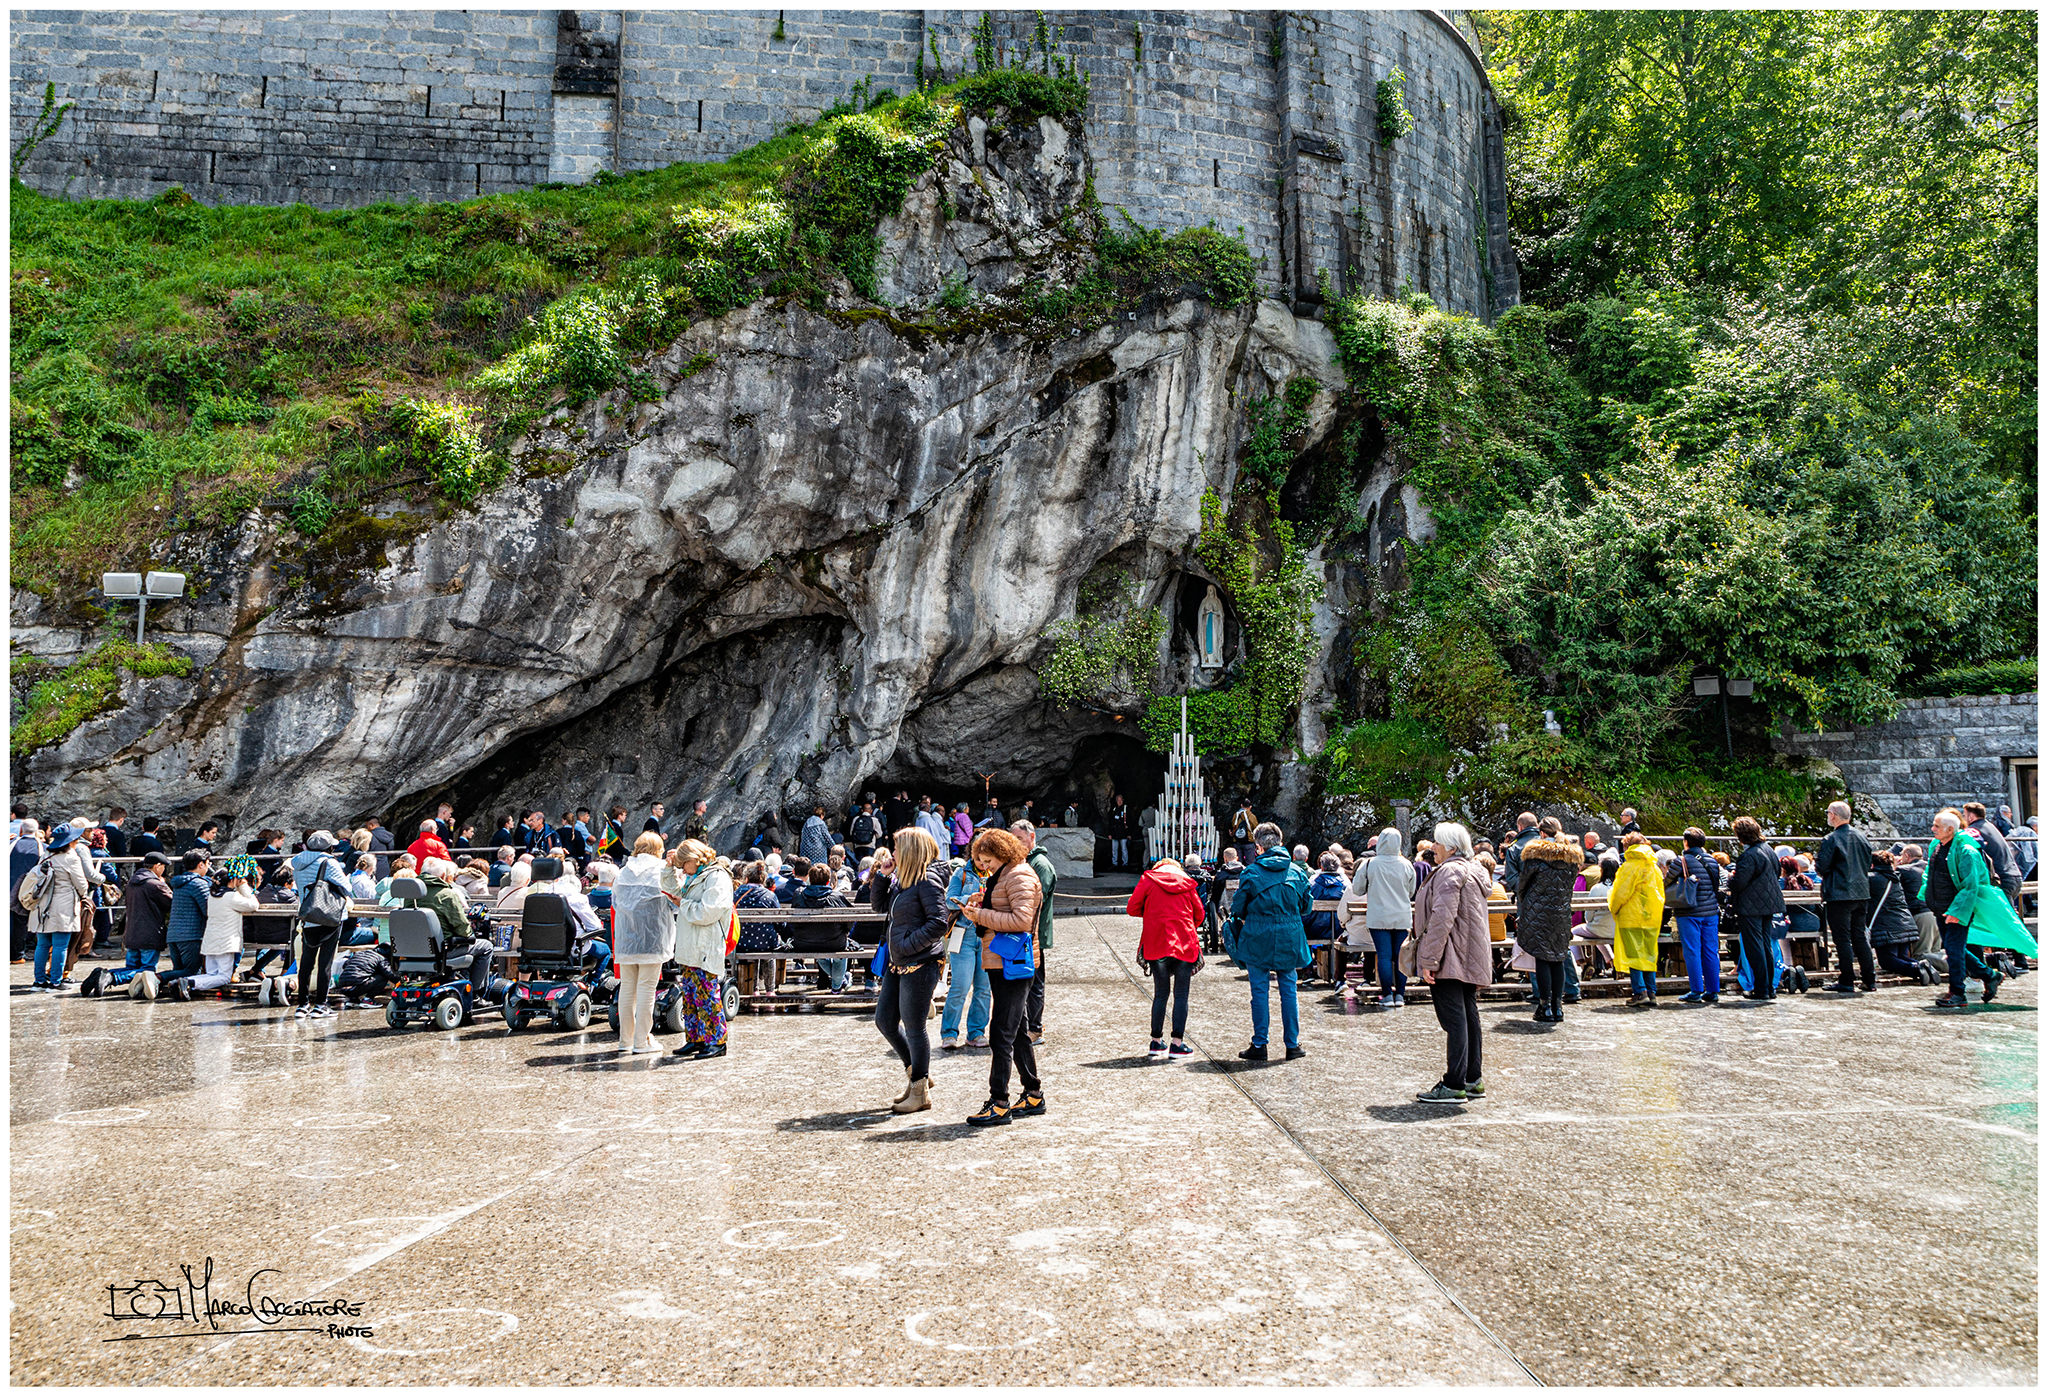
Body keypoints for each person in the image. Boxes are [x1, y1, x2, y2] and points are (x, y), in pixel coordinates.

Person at [957, 827, 1045, 1126]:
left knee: (1001, 1034)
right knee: (1016, 1030)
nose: (985, 867)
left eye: (988, 861)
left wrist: (979, 916)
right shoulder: (1008, 874)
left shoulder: (1019, 875)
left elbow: (1021, 920)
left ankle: (999, 1102)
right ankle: (1033, 1094)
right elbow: (1008, 908)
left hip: (1013, 964)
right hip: (1004, 961)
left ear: (1002, 854)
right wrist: (982, 902)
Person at [873, 827, 950, 1113]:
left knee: (915, 1027)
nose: (891, 852)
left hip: (920, 963)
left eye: (896, 848)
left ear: (909, 850)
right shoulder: (902, 881)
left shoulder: (927, 881)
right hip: (898, 963)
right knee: (885, 1021)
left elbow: (939, 923)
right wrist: (882, 875)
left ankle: (919, 1093)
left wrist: (907, 943)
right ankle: (918, 1074)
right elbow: (878, 906)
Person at [1412, 822, 1491, 1102]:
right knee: (1469, 1016)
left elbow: (1441, 919)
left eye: (1437, 843)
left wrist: (1429, 959)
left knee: (1454, 1020)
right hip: (1471, 953)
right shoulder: (1475, 870)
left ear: (1452, 848)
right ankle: (1473, 1079)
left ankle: (1454, 1084)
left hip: (1450, 954)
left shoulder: (1448, 872)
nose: (1433, 847)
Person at [1927, 810, 2036, 1007]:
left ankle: (1957, 993)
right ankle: (1990, 975)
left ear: (1950, 829)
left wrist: (1958, 911)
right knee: (1955, 949)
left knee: (1953, 950)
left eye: (1936, 826)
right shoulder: (1936, 845)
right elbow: (1930, 873)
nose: (1932, 829)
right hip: (1940, 907)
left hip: (1956, 909)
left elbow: (1971, 885)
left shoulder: (1967, 851)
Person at [1226, 822, 1312, 1062]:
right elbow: (1306, 906)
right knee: (1289, 990)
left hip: (1258, 934)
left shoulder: (1251, 872)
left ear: (1258, 847)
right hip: (1289, 934)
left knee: (1260, 991)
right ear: (1281, 844)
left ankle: (1260, 1043)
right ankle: (1292, 1044)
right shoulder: (1297, 872)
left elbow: (1238, 908)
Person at [1127, 856, 1204, 1060]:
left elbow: (1132, 908)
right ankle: (1177, 1044)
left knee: (1160, 993)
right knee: (1181, 994)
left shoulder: (1148, 880)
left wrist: (1152, 912)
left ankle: (1155, 1042)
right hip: (1185, 944)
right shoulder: (1188, 883)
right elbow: (1200, 915)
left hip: (1157, 942)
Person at [612, 833, 680, 1056]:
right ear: (657, 849)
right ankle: (642, 1041)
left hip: (626, 939)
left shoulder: (622, 873)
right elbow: (676, 902)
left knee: (627, 988)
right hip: (653, 938)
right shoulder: (660, 870)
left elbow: (615, 903)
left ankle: (625, 1040)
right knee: (646, 990)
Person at [670, 840, 734, 1058]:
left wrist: (683, 904)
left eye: (682, 864)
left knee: (706, 995)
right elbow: (675, 894)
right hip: (692, 945)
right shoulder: (699, 876)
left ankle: (716, 1041)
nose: (681, 869)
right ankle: (696, 1038)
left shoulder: (717, 876)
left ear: (694, 859)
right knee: (690, 996)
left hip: (705, 944)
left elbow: (709, 911)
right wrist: (667, 869)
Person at [1514, 825, 1583, 1023]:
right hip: (1560, 914)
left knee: (1542, 958)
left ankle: (1545, 1007)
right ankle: (1558, 1007)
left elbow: (1522, 885)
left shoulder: (1535, 858)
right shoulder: (1571, 861)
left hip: (1537, 913)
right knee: (1558, 958)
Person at [82, 851, 172, 998]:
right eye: (163, 867)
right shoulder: (155, 884)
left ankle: (102, 974)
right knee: (146, 971)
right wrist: (164, 885)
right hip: (150, 934)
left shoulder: (132, 882)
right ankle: (111, 977)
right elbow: (170, 903)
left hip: (131, 932)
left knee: (132, 967)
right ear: (157, 866)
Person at [24, 823, 101, 991]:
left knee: (42, 944)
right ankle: (55, 981)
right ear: (71, 841)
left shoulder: (46, 855)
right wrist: (83, 895)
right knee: (60, 945)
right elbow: (81, 884)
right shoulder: (71, 858)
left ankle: (39, 981)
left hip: (42, 907)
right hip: (63, 907)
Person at [290, 832, 355, 1018]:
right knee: (325, 963)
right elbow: (347, 888)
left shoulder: (297, 863)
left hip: (309, 915)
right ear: (329, 848)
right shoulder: (329, 862)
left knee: (306, 962)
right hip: (329, 916)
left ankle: (302, 1005)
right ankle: (320, 1005)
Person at [1813, 800, 1875, 994]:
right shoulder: (1862, 837)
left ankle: (1847, 979)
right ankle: (1869, 979)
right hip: (1861, 892)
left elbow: (1822, 867)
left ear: (1832, 815)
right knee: (1859, 937)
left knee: (1842, 939)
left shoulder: (1831, 839)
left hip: (1839, 893)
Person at [1349, 829, 1414, 1007]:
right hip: (1402, 916)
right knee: (1400, 956)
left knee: (1384, 956)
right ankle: (1400, 994)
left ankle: (1387, 995)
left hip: (1379, 917)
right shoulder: (1407, 864)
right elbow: (1411, 891)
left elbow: (1357, 889)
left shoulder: (1370, 864)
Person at [1725, 818, 1784, 999]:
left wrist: (1729, 878)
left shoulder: (1749, 855)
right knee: (1766, 944)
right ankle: (1768, 988)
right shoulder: (1769, 850)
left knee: (1754, 947)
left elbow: (1739, 883)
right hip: (1769, 902)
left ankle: (1761, 988)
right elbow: (1776, 873)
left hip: (1751, 906)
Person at [941, 855, 991, 1049]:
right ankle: (949, 1033)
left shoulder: (994, 873)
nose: (982, 862)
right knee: (960, 986)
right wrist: (967, 899)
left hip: (987, 934)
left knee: (984, 988)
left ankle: (977, 1032)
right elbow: (949, 901)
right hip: (964, 933)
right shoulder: (961, 873)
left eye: (987, 857)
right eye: (979, 857)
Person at [1609, 833, 1665, 1006]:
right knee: (1648, 954)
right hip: (1651, 916)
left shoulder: (1630, 865)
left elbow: (1620, 892)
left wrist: (1614, 908)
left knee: (1634, 955)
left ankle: (1639, 992)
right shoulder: (1654, 866)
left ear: (1627, 846)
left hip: (1631, 916)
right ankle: (1652, 991)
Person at [1016, 822, 1057, 1044]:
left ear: (1032, 837)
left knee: (1034, 983)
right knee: (1024, 982)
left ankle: (1035, 1028)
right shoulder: (1025, 862)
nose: (1016, 844)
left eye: (1020, 839)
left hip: (1035, 934)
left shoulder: (1040, 864)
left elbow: (1033, 901)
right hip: (1025, 933)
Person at [1673, 828, 1723, 1003]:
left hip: (1689, 911)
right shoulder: (1712, 861)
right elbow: (1716, 885)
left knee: (1692, 951)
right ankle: (1713, 990)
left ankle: (1695, 990)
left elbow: (1667, 881)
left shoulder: (1682, 860)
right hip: (1710, 912)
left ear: (1686, 842)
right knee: (1710, 950)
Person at [191, 866, 258, 996]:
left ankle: (185, 981)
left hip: (210, 941)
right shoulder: (231, 896)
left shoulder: (212, 896)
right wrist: (244, 886)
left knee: (211, 974)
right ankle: (191, 983)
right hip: (225, 943)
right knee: (224, 977)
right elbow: (254, 905)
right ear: (232, 880)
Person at [791, 864, 856, 992]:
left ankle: (839, 982)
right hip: (834, 942)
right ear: (828, 881)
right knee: (842, 948)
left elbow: (793, 922)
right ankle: (837, 985)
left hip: (804, 942)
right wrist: (845, 931)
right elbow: (850, 920)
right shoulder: (836, 897)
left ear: (810, 879)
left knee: (823, 948)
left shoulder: (799, 894)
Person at [159, 849, 213, 1001]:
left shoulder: (179, 882)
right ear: (201, 864)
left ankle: (174, 991)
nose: (209, 867)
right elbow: (208, 909)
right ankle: (155, 977)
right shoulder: (198, 884)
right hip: (191, 935)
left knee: (179, 972)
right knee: (191, 972)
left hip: (174, 934)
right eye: (208, 864)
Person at [1866, 851, 1927, 980]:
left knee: (1887, 961)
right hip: (1906, 923)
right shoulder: (1895, 878)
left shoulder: (1871, 878)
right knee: (1901, 957)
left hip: (1886, 926)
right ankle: (1922, 966)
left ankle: (1917, 969)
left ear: (1871, 864)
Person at [1962, 802, 2023, 910]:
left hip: (2001, 880)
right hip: (2014, 876)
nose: (1963, 818)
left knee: (2002, 923)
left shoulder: (1973, 831)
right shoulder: (1990, 826)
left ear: (1970, 817)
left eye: (1964, 815)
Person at [10, 817, 43, 963]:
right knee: (22, 921)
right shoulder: (43, 848)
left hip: (8, 886)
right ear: (36, 832)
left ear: (20, 830)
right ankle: (18, 954)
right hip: (29, 890)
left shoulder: (10, 845)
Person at [1499, 812, 1539, 894]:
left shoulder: (1513, 848)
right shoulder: (1549, 844)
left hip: (1526, 900)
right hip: (1551, 899)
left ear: (1520, 827)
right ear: (1537, 825)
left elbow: (1511, 878)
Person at [1105, 794, 1132, 870]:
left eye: (1120, 800)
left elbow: (1129, 821)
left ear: (1122, 800)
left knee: (1124, 849)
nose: (1119, 802)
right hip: (1114, 833)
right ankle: (1114, 863)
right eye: (1118, 800)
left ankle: (1125, 863)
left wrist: (1129, 833)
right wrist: (1110, 833)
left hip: (1123, 832)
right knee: (1114, 849)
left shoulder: (1126, 809)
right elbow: (1111, 822)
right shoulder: (1114, 809)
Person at [1230, 798, 1257, 864]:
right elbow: (1256, 827)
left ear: (1241, 805)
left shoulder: (1235, 815)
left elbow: (1233, 825)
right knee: (1250, 863)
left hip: (1237, 841)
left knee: (1238, 862)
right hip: (1249, 842)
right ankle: (1249, 874)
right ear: (1250, 807)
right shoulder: (1251, 816)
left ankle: (1239, 873)